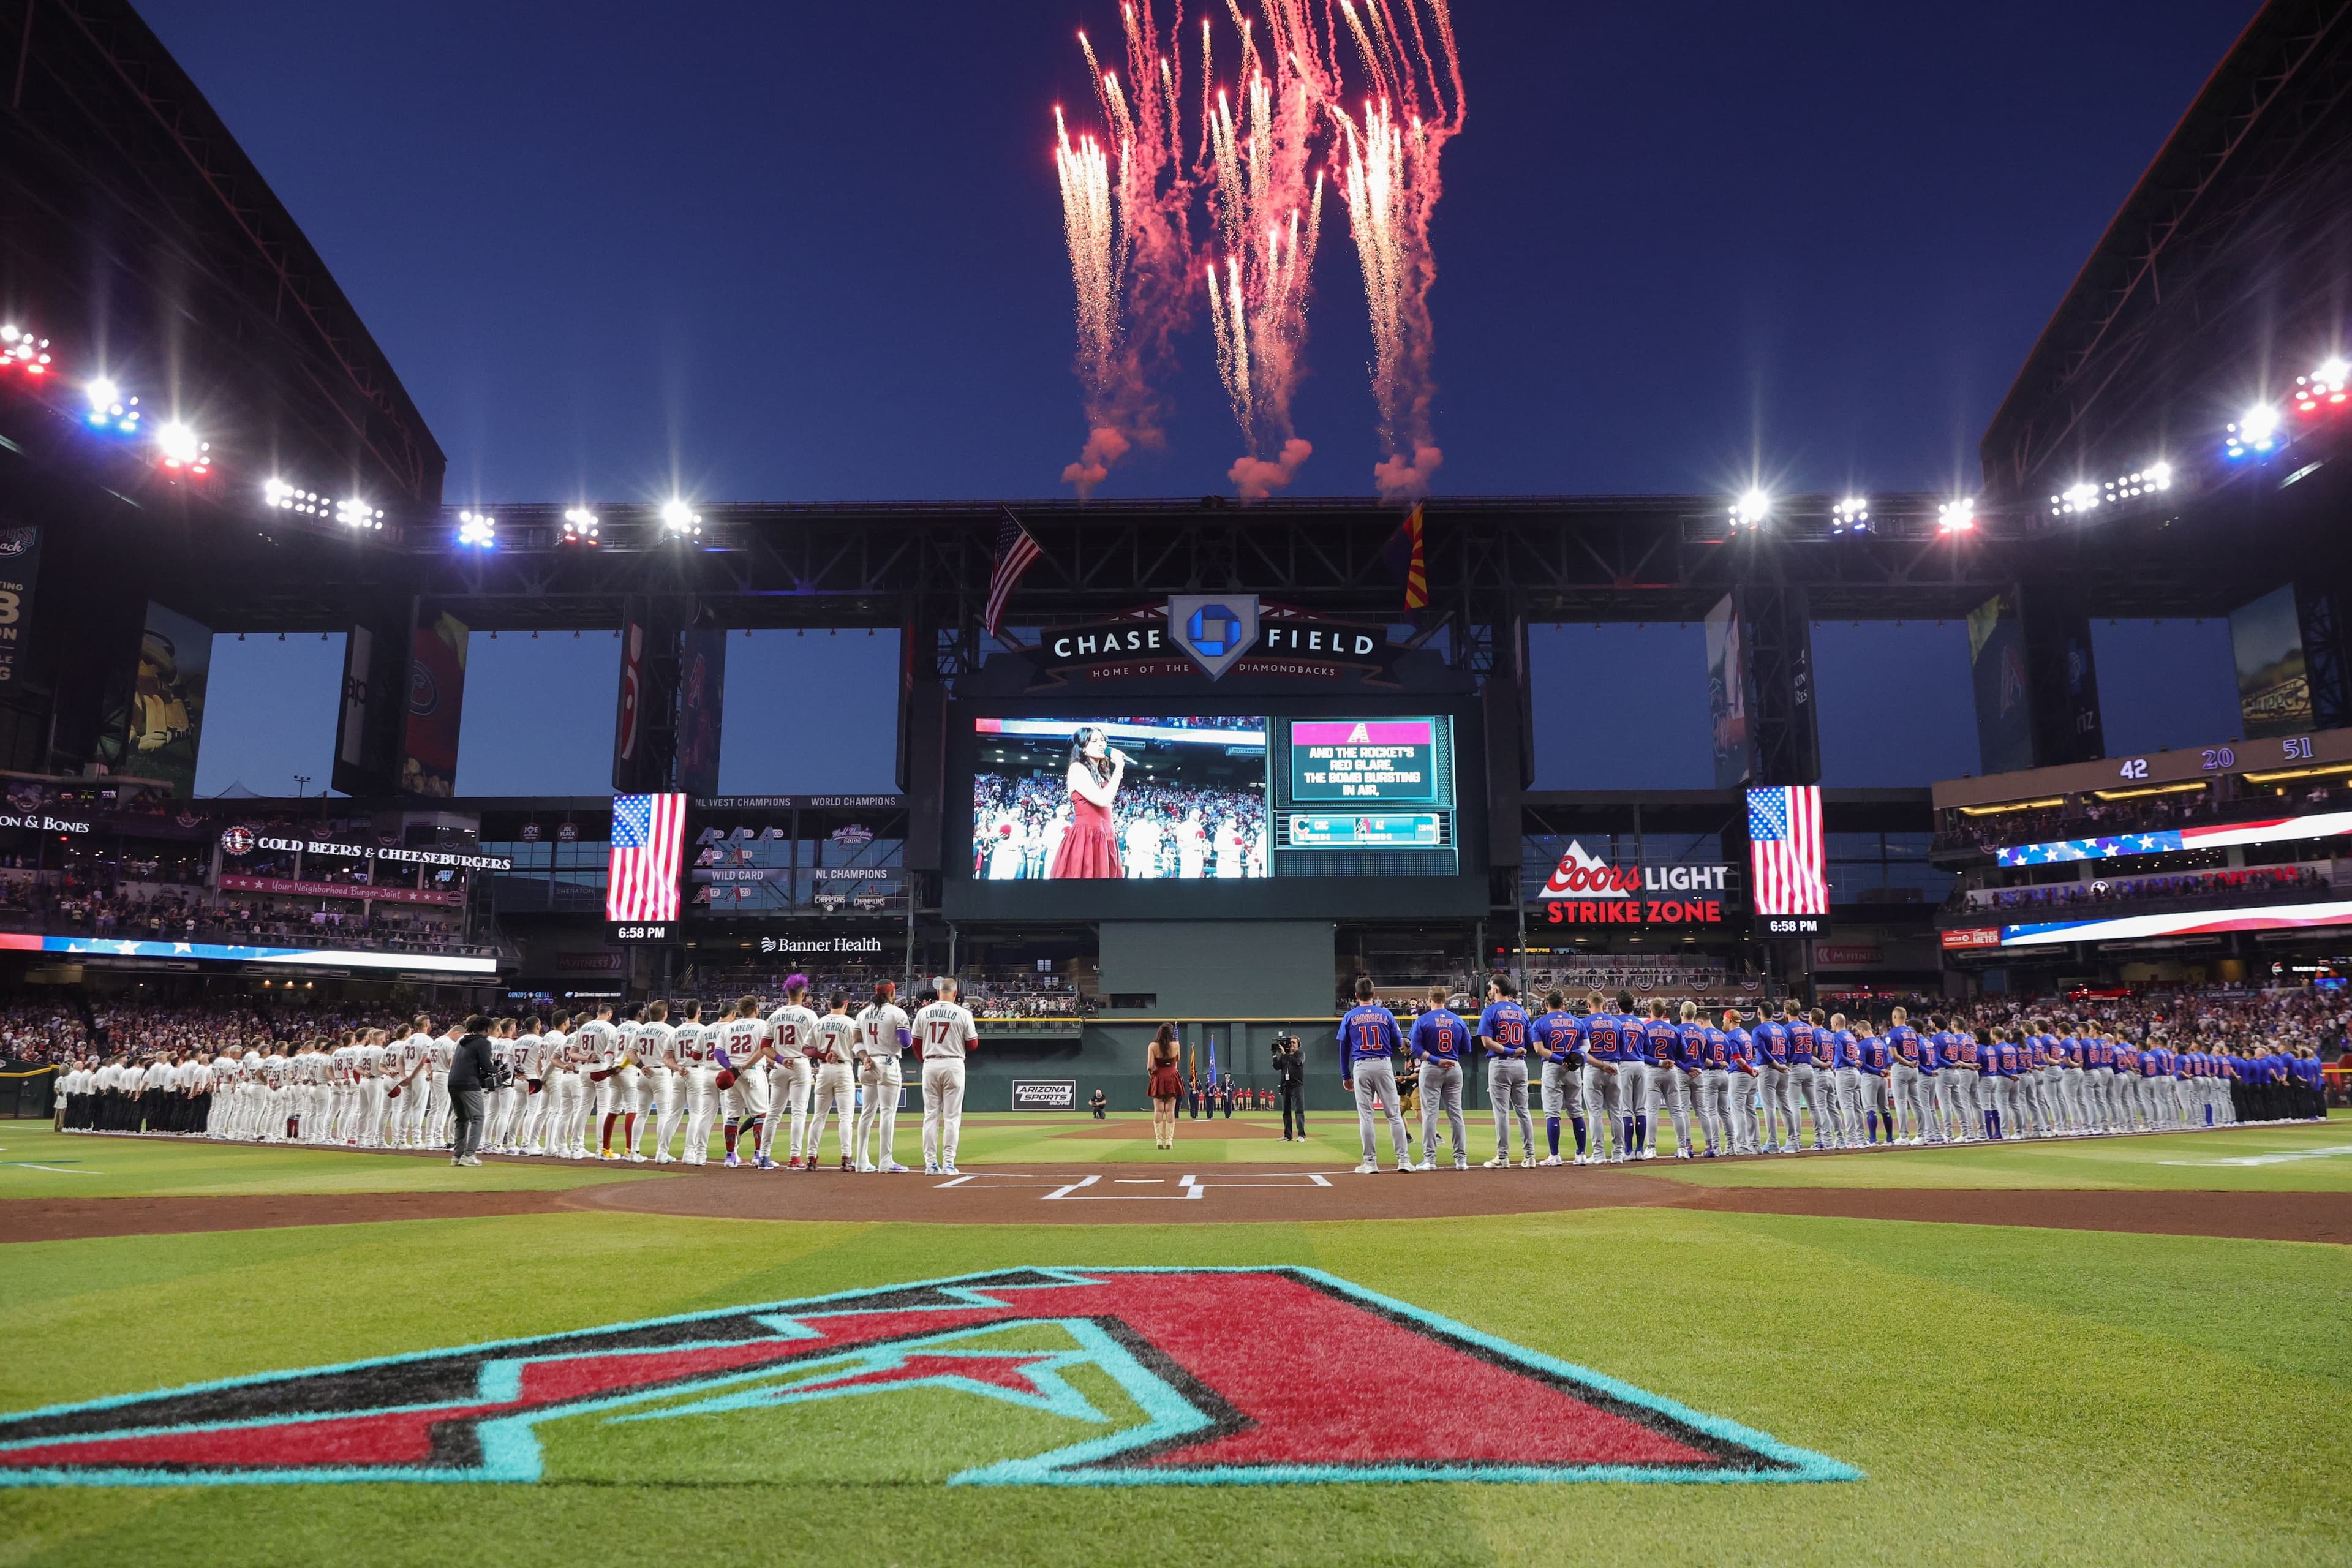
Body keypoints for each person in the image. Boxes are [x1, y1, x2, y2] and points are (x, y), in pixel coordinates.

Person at [1338, 977, 1414, 1174]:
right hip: (1383, 1064)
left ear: (1356, 996)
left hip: (1361, 1066)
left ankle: (1370, 1162)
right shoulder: (1386, 1014)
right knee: (1394, 1115)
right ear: (1374, 994)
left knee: (1366, 1117)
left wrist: (1346, 1075)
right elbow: (1399, 1040)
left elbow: (1343, 1049)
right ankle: (1404, 1160)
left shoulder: (1349, 1016)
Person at [916, 976, 978, 1175]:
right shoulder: (963, 1013)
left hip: (931, 1063)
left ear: (938, 993)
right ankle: (949, 1164)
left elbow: (916, 1044)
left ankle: (931, 1164)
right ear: (955, 994)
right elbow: (973, 1045)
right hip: (954, 1064)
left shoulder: (924, 1012)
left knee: (931, 1116)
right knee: (952, 1118)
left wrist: (925, 1061)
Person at [1047, 726, 1128, 878]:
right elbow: (1103, 800)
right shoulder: (1077, 768)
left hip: (1105, 837)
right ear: (1083, 748)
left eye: (1103, 740)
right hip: (1087, 837)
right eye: (1095, 741)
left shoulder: (1102, 774)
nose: (1101, 744)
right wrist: (1119, 769)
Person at [853, 981, 912, 1173]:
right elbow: (905, 1043)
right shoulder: (897, 1013)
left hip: (867, 1064)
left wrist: (865, 1058)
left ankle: (861, 1161)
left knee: (866, 1114)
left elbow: (856, 1044)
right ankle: (885, 1161)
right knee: (887, 1113)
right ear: (892, 992)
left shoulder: (863, 1014)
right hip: (887, 1063)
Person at [1409, 985, 1469, 1170]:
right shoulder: (1458, 1020)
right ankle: (1461, 1160)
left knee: (1429, 1116)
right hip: (1454, 1067)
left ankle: (1430, 1160)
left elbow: (1415, 1049)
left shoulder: (1423, 1020)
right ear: (1446, 999)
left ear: (1429, 1000)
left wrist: (1437, 1059)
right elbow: (1467, 1049)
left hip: (1431, 1068)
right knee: (1456, 1115)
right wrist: (1448, 1058)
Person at [1479, 975, 1536, 1169]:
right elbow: (1528, 1040)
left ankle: (1503, 1157)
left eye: (1491, 988)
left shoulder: (1490, 1011)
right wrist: (1516, 1049)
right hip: (1521, 1065)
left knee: (1502, 1113)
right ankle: (1530, 1156)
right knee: (1523, 1112)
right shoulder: (1521, 1012)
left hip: (1501, 1063)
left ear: (1495, 990)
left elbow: (1486, 1042)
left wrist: (1510, 1050)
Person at [1529, 989, 1584, 1166]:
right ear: (1563, 1004)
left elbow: (1539, 1050)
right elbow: (1585, 1046)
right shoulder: (1577, 1021)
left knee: (1553, 1113)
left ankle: (1555, 1155)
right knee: (1576, 1112)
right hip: (1574, 1069)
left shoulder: (1540, 1023)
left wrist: (1561, 1060)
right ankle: (1581, 1154)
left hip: (1553, 1067)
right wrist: (1573, 1059)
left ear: (1546, 1004)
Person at [445, 1014, 497, 1167]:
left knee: (461, 1119)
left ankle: (457, 1155)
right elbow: (487, 1067)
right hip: (469, 1083)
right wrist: (497, 1068)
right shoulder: (483, 1042)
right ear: (487, 1029)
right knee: (478, 1118)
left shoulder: (462, 1042)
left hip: (453, 1081)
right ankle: (469, 1155)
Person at [1147, 1023, 1183, 1149]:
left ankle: (1158, 1141)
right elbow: (1178, 1059)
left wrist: (1152, 1077)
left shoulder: (1152, 1046)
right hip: (1172, 1076)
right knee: (1170, 1110)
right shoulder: (1176, 1045)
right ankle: (1169, 1141)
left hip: (1158, 1076)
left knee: (1158, 1110)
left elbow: (1149, 1066)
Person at [1274, 1034, 1307, 1140]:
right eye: (1290, 1042)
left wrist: (1285, 1054)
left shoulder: (1300, 1054)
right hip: (1286, 1086)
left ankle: (1301, 1135)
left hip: (1297, 1086)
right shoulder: (1285, 1056)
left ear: (1298, 1045)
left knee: (1299, 1110)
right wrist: (1274, 1055)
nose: (1291, 1044)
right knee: (1286, 1112)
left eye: (1294, 1043)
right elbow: (1277, 1067)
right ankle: (1288, 1135)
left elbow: (1298, 1062)